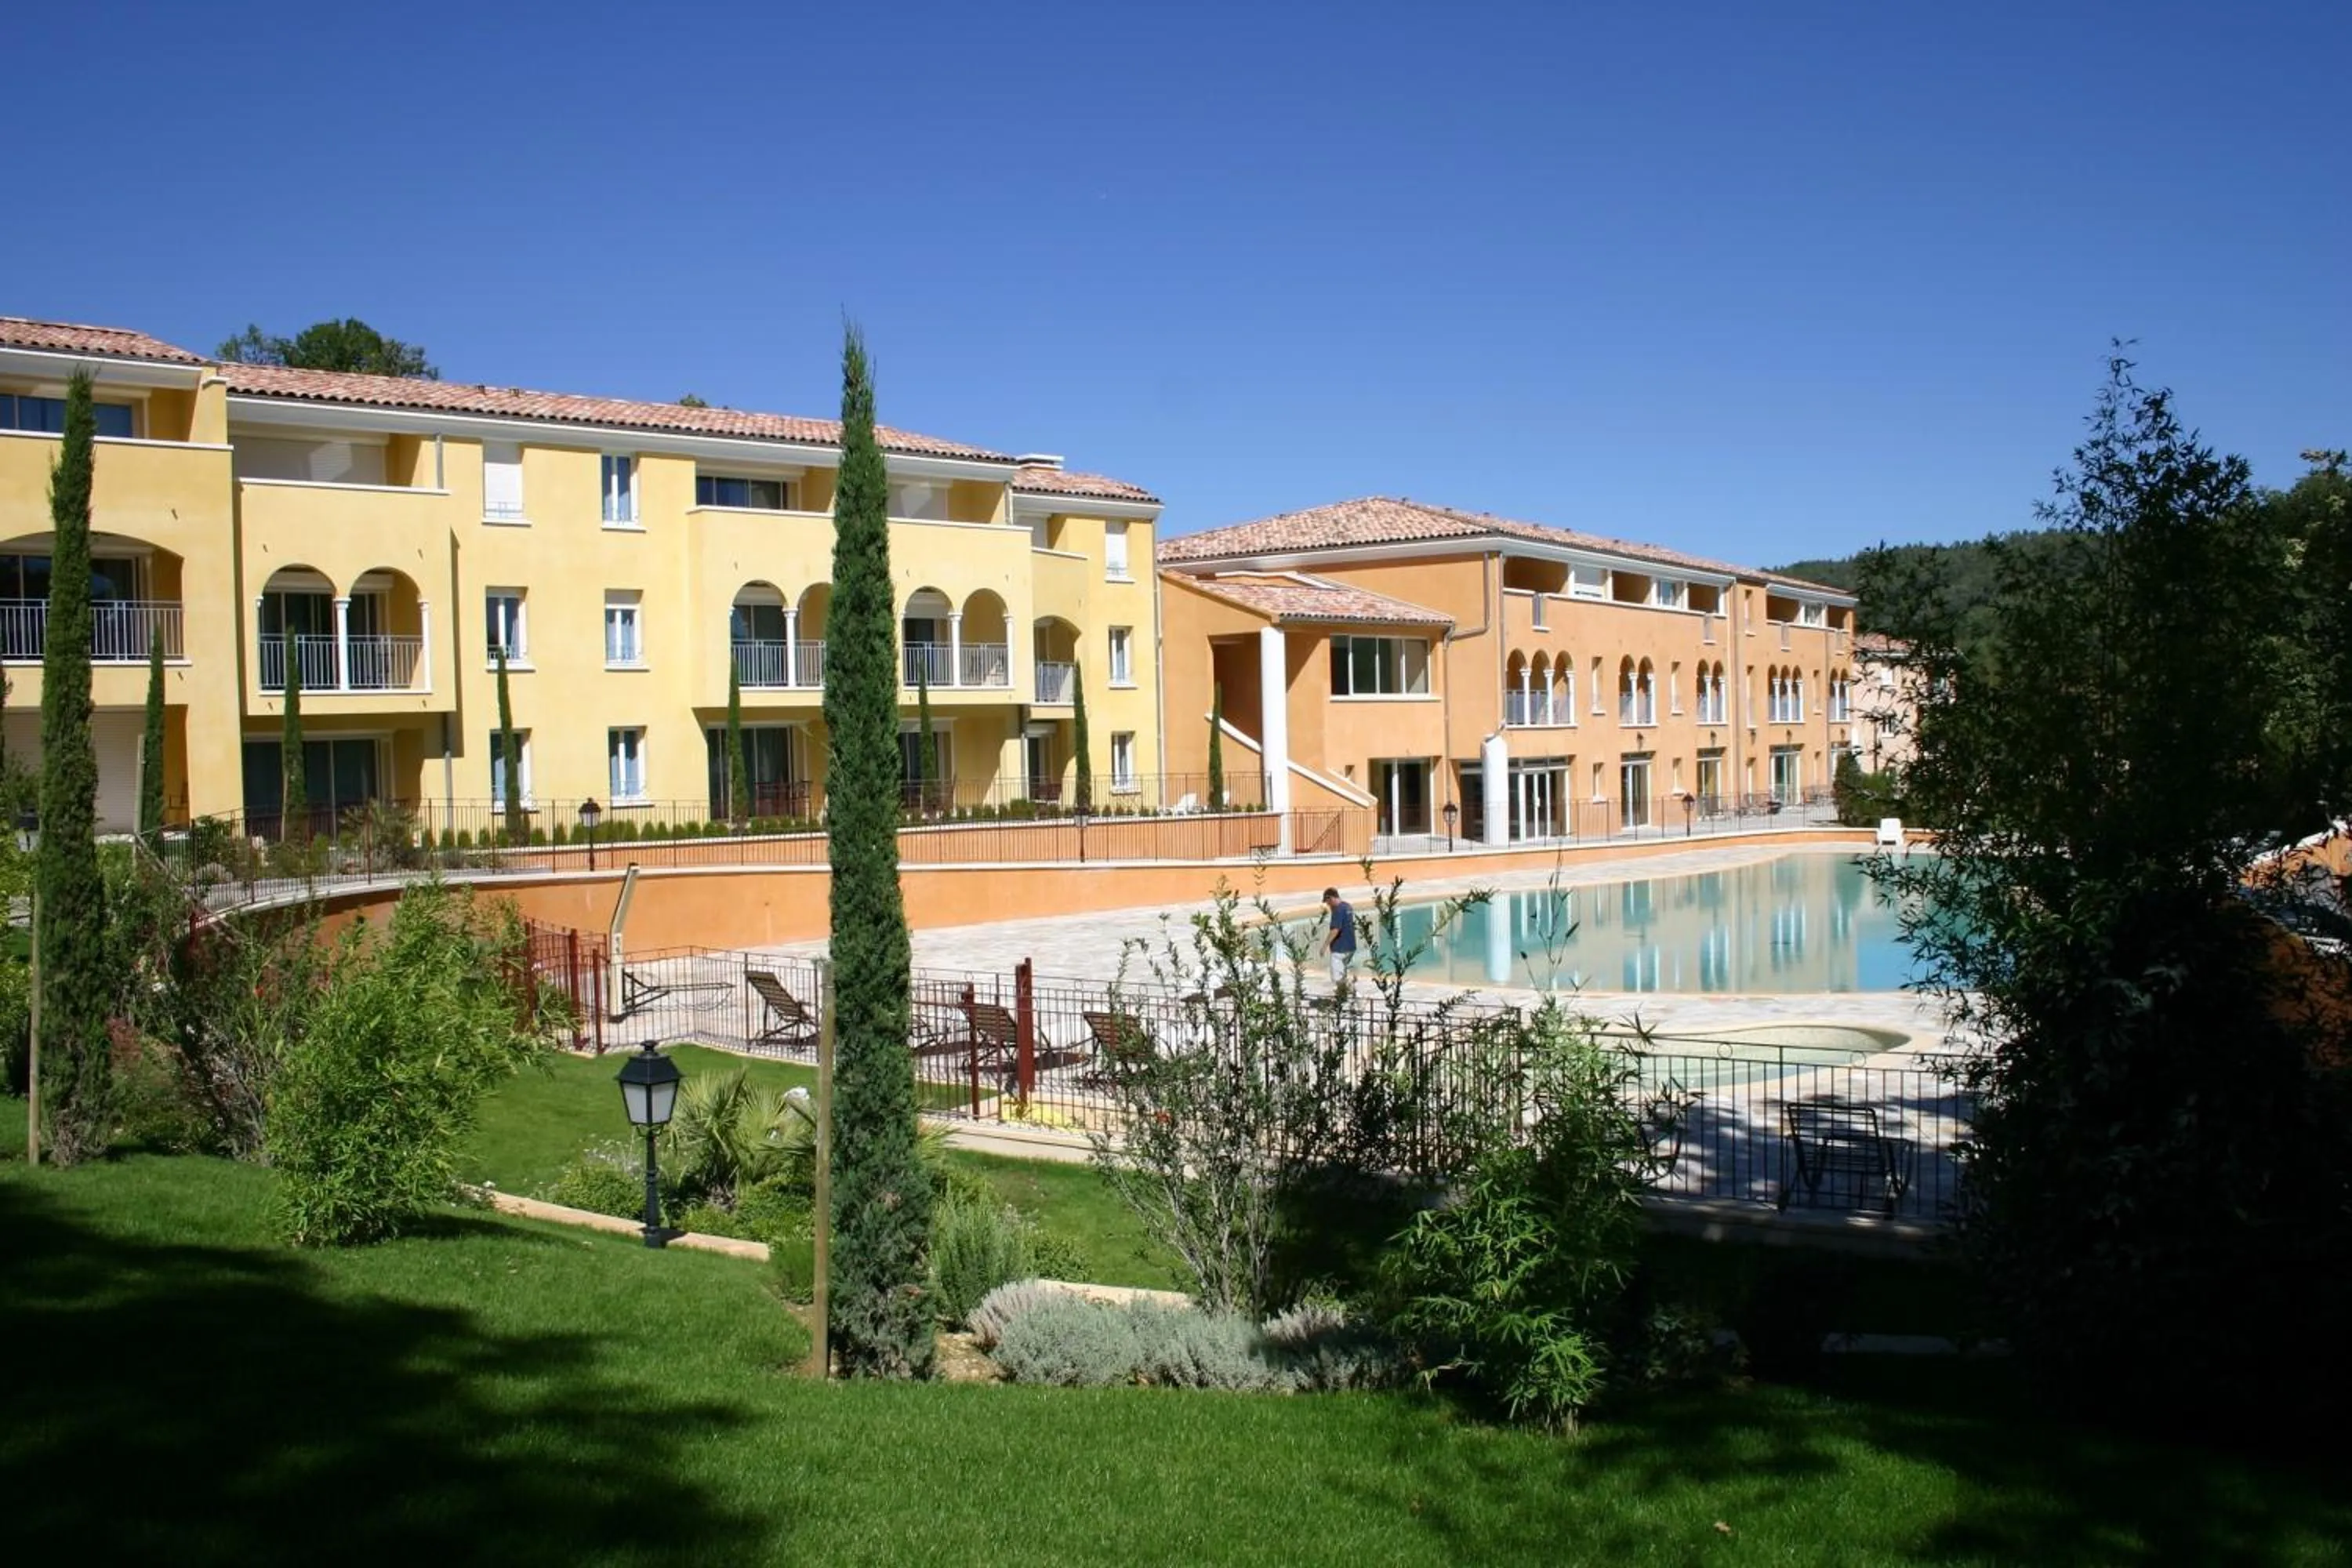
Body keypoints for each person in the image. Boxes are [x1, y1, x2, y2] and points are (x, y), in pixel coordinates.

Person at [1322, 886, 1357, 987]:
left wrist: (1324, 946)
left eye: (1327, 902)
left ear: (1331, 898)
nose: (1328, 905)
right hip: (1350, 948)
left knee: (1337, 980)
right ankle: (1352, 997)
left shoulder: (1338, 910)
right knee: (1344, 977)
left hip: (1339, 950)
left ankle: (1348, 998)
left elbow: (1335, 930)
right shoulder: (1348, 907)